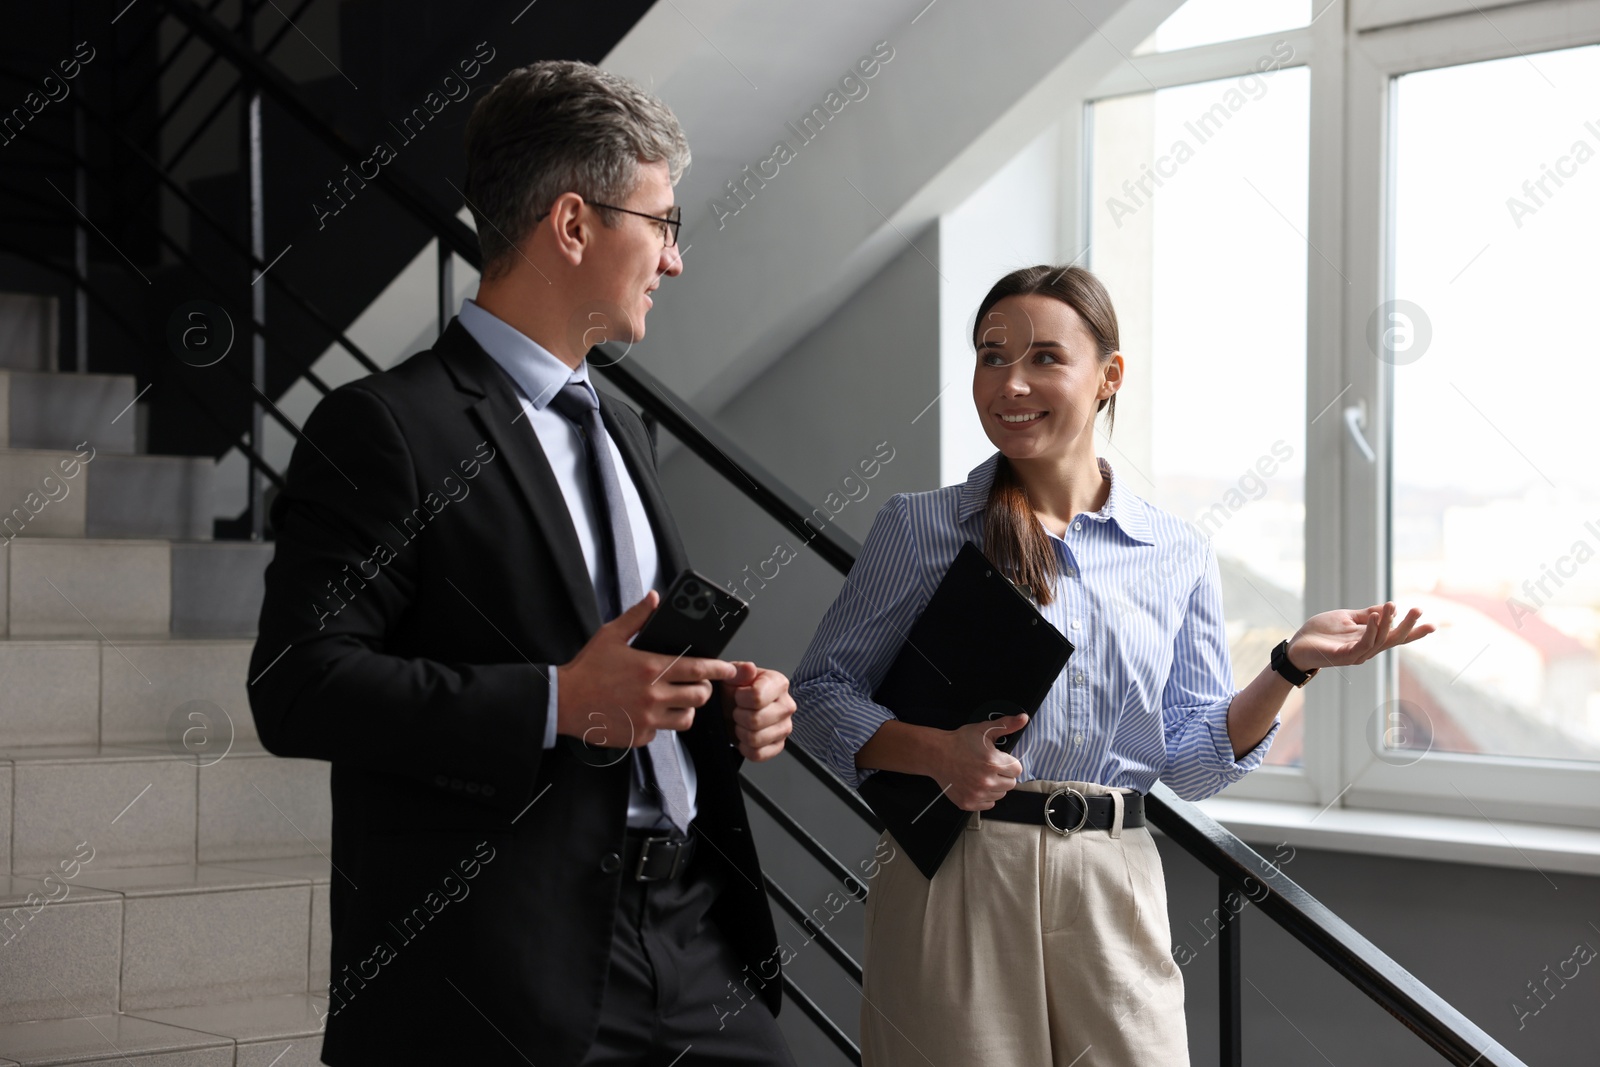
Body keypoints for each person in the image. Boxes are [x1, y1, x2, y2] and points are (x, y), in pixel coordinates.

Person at [249, 61, 798, 1067]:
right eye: (663, 223)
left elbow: (614, 661)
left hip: (689, 927)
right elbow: (297, 686)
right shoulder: (383, 429)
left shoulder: (623, 427)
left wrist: (716, 700)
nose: (674, 260)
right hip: (502, 962)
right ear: (574, 225)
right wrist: (556, 701)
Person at [789, 264, 1434, 1066]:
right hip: (958, 872)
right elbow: (818, 694)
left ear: (1109, 376)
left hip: (1113, 877)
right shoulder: (922, 526)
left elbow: (1192, 763)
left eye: (1044, 358)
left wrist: (1288, 666)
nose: (1010, 382)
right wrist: (937, 755)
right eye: (992, 355)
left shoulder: (1176, 551)